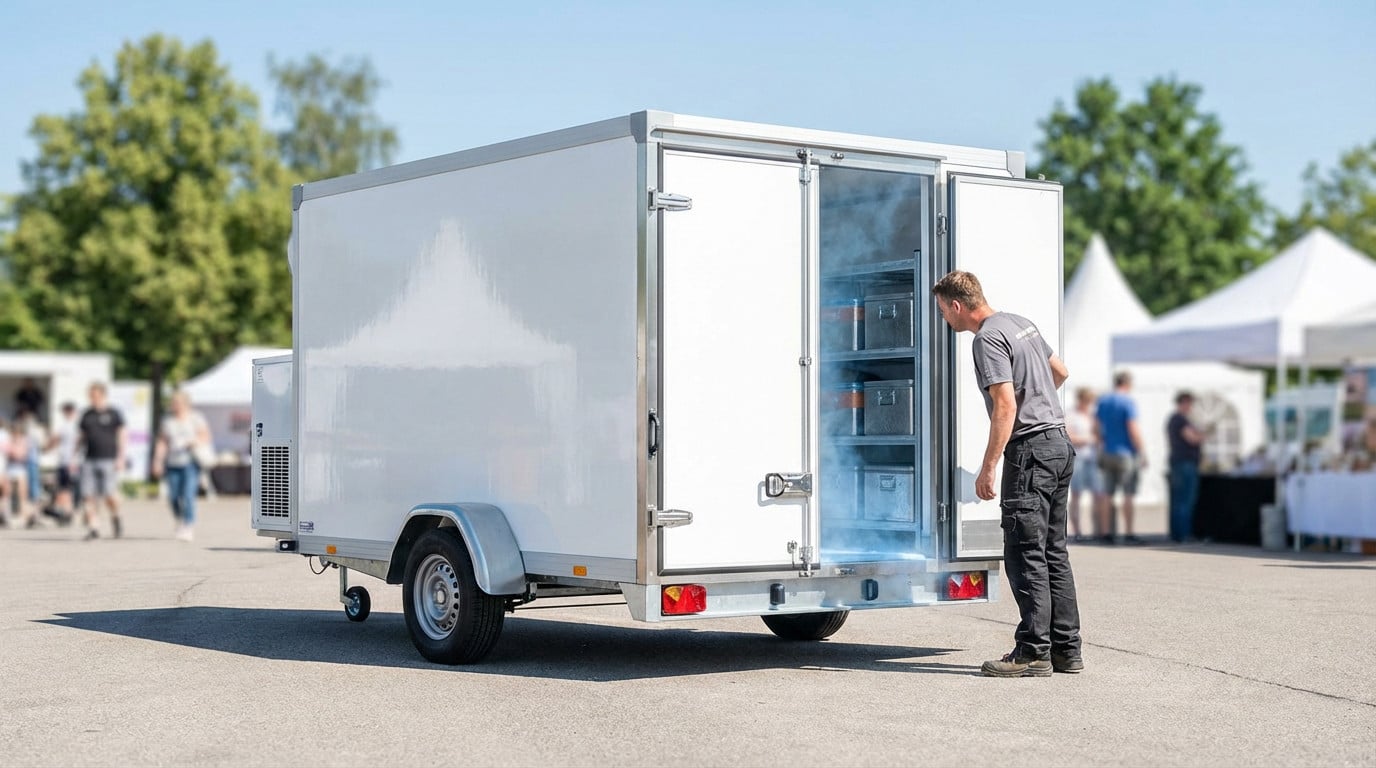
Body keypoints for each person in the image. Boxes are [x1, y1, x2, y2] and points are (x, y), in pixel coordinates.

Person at [932, 270, 1082, 678]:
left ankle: (1033, 652)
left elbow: (1004, 407)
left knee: (1025, 554)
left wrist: (988, 468)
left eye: (944, 310)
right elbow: (1061, 372)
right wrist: (1038, 397)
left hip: (1031, 452)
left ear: (957, 306)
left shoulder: (986, 339)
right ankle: (1067, 650)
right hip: (1059, 445)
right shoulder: (1020, 323)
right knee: (1054, 551)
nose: (945, 318)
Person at [152, 391, 211, 541]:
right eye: (173, 403)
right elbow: (162, 442)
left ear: (185, 404)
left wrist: (193, 442)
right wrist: (157, 461)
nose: (174, 406)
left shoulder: (195, 418)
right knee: (173, 496)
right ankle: (180, 518)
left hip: (190, 461)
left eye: (177, 403)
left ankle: (188, 524)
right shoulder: (167, 420)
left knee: (188, 495)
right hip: (172, 462)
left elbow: (205, 436)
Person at [1094, 371, 1145, 545]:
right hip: (1125, 452)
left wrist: (1102, 442)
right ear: (1127, 383)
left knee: (1108, 494)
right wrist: (1141, 450)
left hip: (1107, 450)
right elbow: (1132, 428)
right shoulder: (1127, 401)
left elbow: (1096, 426)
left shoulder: (1104, 400)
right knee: (1128, 493)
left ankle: (1107, 532)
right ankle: (1129, 532)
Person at [77, 382, 125, 539]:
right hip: (89, 458)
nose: (93, 399)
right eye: (91, 396)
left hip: (108, 459)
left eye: (96, 396)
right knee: (87, 494)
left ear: (103, 396)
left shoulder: (114, 414)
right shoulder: (86, 415)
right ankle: (94, 527)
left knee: (109, 494)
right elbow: (81, 437)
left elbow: (122, 436)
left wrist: (121, 457)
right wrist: (73, 456)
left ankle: (116, 516)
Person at [1166, 391, 1206, 543]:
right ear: (1183, 402)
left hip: (1179, 462)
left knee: (1178, 500)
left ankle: (1177, 533)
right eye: (1190, 403)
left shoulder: (1174, 419)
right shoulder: (1179, 420)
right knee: (1185, 500)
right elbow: (1192, 438)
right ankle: (1184, 534)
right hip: (1184, 463)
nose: (1191, 407)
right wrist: (1202, 435)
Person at [1065, 387, 1098, 543]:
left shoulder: (1091, 416)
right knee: (1077, 495)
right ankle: (1077, 529)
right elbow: (1070, 436)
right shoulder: (1072, 415)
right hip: (1079, 457)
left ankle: (1097, 530)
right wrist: (1089, 439)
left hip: (1092, 458)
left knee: (1097, 494)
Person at [47, 402, 82, 524]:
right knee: (68, 488)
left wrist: (46, 447)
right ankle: (68, 512)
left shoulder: (70, 426)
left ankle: (68, 513)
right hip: (70, 461)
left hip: (69, 462)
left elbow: (55, 440)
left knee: (66, 488)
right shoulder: (73, 426)